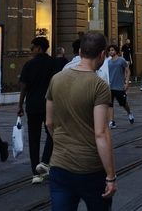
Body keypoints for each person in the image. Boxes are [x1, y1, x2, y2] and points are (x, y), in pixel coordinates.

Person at [46, 31, 117, 210]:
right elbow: (101, 133)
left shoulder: (56, 79)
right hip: (90, 168)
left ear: (80, 52)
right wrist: (111, 176)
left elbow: (49, 122)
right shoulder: (99, 85)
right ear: (102, 54)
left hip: (60, 165)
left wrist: (63, 144)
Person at [18, 37, 57, 184]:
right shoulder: (53, 63)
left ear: (39, 48)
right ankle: (45, 162)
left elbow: (24, 87)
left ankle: (36, 174)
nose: (30, 50)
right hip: (50, 105)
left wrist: (20, 105)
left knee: (33, 139)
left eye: (32, 48)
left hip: (32, 106)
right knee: (52, 134)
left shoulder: (29, 64)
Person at [106, 44, 133, 128]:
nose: (111, 52)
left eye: (112, 50)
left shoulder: (121, 60)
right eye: (109, 50)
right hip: (110, 86)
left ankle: (129, 113)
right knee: (110, 104)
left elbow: (128, 71)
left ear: (116, 51)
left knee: (123, 103)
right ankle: (112, 121)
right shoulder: (108, 62)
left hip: (119, 86)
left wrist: (127, 83)